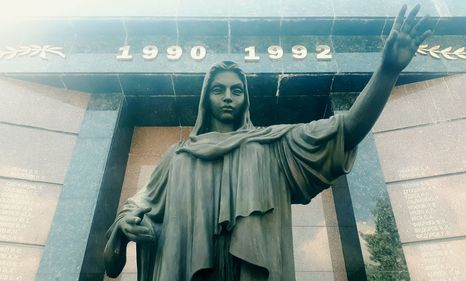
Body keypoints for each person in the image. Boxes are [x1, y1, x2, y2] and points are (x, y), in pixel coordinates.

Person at [104, 5, 431, 281]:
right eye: (219, 90)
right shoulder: (178, 157)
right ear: (206, 98)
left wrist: (387, 70)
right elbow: (136, 209)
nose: (228, 97)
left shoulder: (274, 145)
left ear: (246, 99)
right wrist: (130, 226)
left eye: (237, 90)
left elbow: (347, 129)